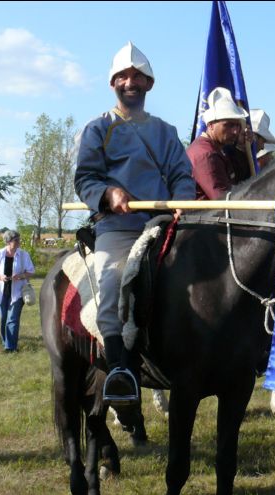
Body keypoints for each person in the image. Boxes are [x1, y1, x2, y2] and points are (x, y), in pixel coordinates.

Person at [74, 41, 195, 404]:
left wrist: (182, 202)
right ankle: (119, 369)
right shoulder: (99, 128)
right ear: (113, 83)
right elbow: (86, 179)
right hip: (118, 228)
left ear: (149, 84)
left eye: (137, 76)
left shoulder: (166, 131)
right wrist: (108, 193)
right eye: (123, 76)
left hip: (163, 225)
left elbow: (182, 175)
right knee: (111, 283)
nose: (130, 82)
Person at [186, 87, 251, 200]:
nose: (235, 131)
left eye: (237, 125)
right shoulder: (206, 155)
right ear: (211, 125)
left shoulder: (213, 149)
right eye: (228, 125)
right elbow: (222, 200)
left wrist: (242, 147)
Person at [0, 230, 35, 353]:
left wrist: (19, 276)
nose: (19, 242)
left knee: (12, 319)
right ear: (8, 242)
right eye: (16, 240)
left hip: (17, 292)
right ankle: (6, 343)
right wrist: (0, 277)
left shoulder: (24, 255)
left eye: (19, 239)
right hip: (1, 292)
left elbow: (31, 271)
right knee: (4, 319)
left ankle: (11, 347)